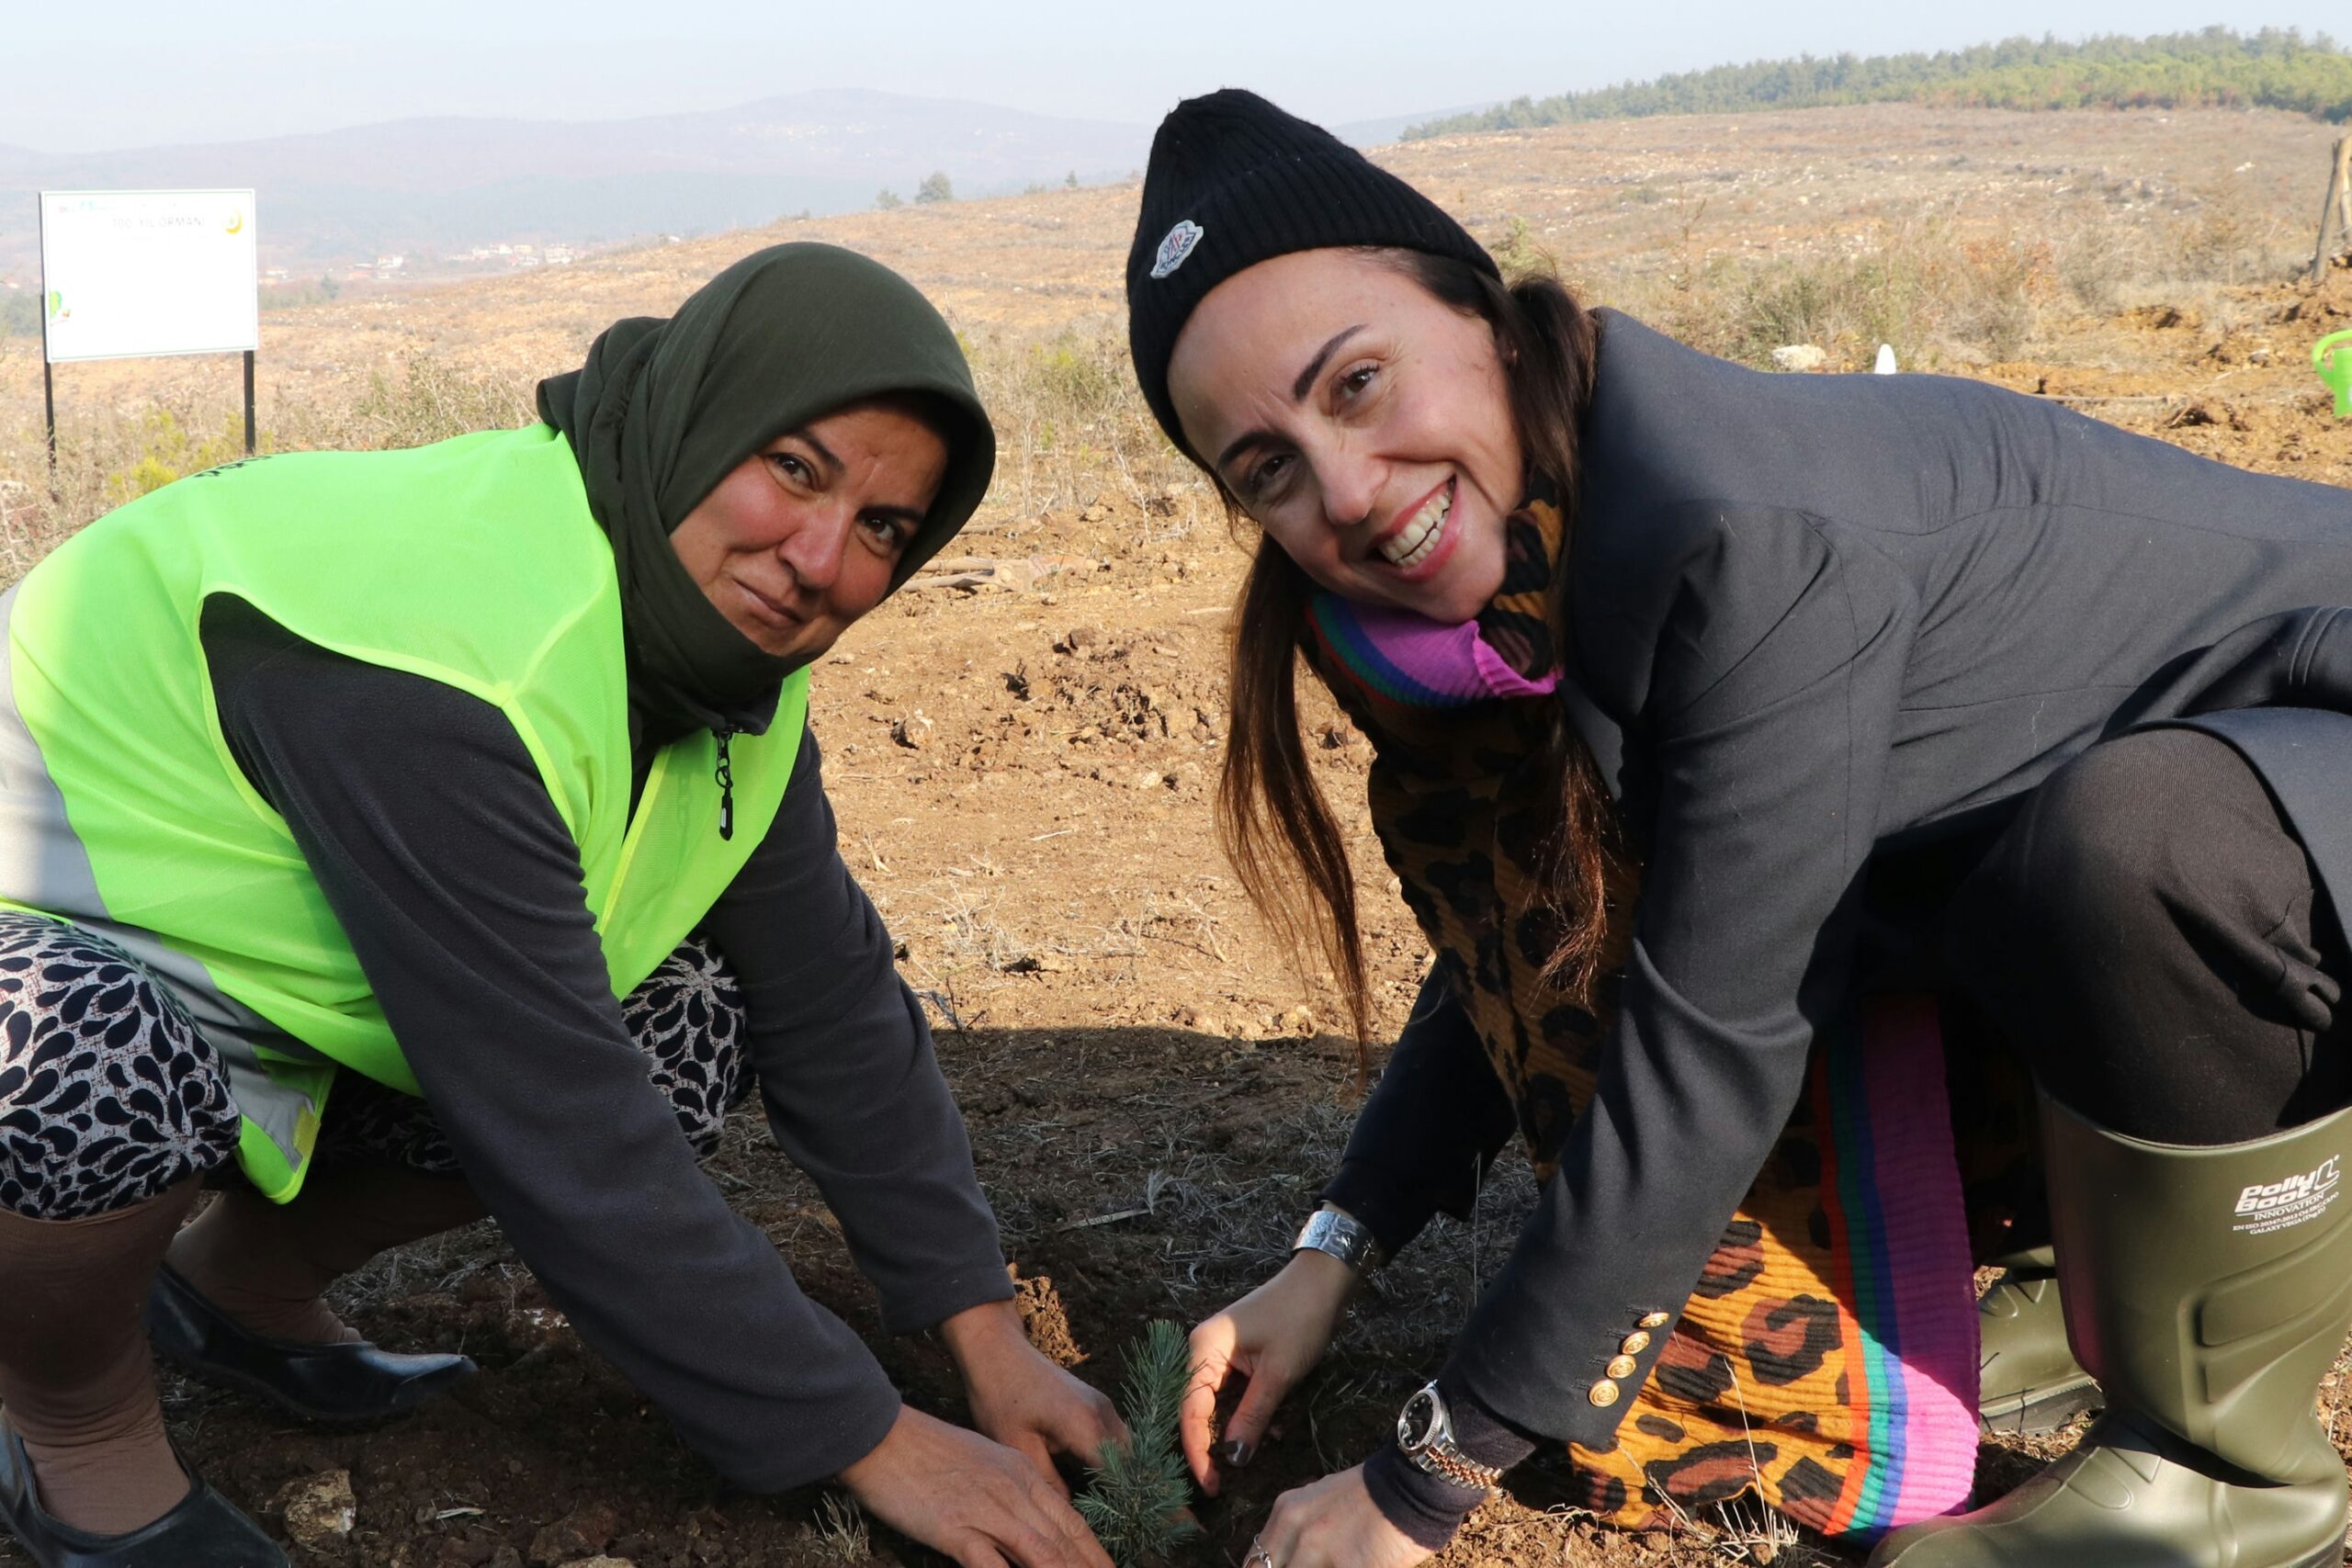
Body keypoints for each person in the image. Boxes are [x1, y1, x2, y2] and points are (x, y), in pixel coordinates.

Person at [1125, 90, 2352, 1568]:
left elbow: (1710, 1036)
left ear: (1487, 318)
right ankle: (2079, 1277)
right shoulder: (1541, 561)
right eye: (1264, 467)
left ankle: (2231, 1474)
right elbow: (1556, 932)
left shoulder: (1733, 536)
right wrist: (1339, 1242)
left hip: (2308, 776)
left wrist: (1423, 1476)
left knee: (2132, 846)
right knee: (1984, 862)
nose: (1345, 491)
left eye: (1360, 385)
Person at [0, 242, 1122, 1568]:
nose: (820, 558)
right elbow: (561, 1132)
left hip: (287, 960)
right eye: (796, 467)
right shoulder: (458, 654)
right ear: (700, 411)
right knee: (74, 1055)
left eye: (885, 528)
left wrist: (984, 1335)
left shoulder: (720, 666)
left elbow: (827, 1001)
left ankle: (236, 1282)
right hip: (71, 942)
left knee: (693, 1018)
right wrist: (874, 1438)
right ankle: (66, 1423)